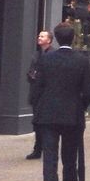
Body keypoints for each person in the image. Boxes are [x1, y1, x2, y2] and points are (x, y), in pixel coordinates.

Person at [31, 22, 90, 181]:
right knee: (69, 159)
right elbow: (88, 91)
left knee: (50, 161)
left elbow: (37, 87)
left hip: (48, 116)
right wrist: (80, 106)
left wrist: (39, 106)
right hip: (72, 117)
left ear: (56, 38)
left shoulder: (46, 59)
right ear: (73, 38)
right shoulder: (81, 61)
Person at [25, 30, 52, 160]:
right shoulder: (36, 55)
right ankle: (38, 148)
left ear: (49, 40)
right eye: (39, 35)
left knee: (46, 122)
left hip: (47, 95)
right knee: (37, 122)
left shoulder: (53, 55)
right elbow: (30, 72)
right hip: (36, 93)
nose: (39, 37)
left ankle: (45, 148)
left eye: (42, 36)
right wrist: (31, 76)